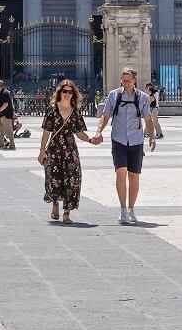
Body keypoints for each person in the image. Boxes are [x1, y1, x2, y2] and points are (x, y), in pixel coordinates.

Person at [94, 67, 158, 225]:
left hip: (136, 140)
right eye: (123, 80)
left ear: (135, 80)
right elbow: (106, 115)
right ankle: (122, 209)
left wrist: (152, 136)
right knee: (121, 172)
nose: (125, 83)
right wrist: (98, 131)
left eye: (128, 80)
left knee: (134, 175)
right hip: (119, 138)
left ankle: (131, 209)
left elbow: (148, 118)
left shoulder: (142, 97)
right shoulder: (114, 95)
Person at [38, 79, 100, 225]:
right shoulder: (52, 109)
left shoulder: (75, 111)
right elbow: (46, 131)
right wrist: (42, 151)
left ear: (74, 94)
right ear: (60, 93)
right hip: (54, 149)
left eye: (69, 92)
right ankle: (55, 203)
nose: (67, 94)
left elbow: (79, 133)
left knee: (72, 179)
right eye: (64, 91)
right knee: (53, 178)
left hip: (70, 150)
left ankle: (66, 213)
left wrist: (90, 140)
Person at [0, 81, 18, 150]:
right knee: (0, 128)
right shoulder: (1, 93)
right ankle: (1, 143)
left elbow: (6, 104)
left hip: (6, 115)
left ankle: (12, 145)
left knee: (8, 130)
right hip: (2, 115)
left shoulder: (5, 93)